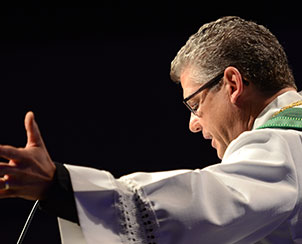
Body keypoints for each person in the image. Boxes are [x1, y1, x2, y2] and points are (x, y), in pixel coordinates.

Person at [0, 16, 301, 244]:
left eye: (195, 104)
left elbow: (205, 203)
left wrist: (61, 186)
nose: (194, 123)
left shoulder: (285, 147)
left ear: (233, 84)